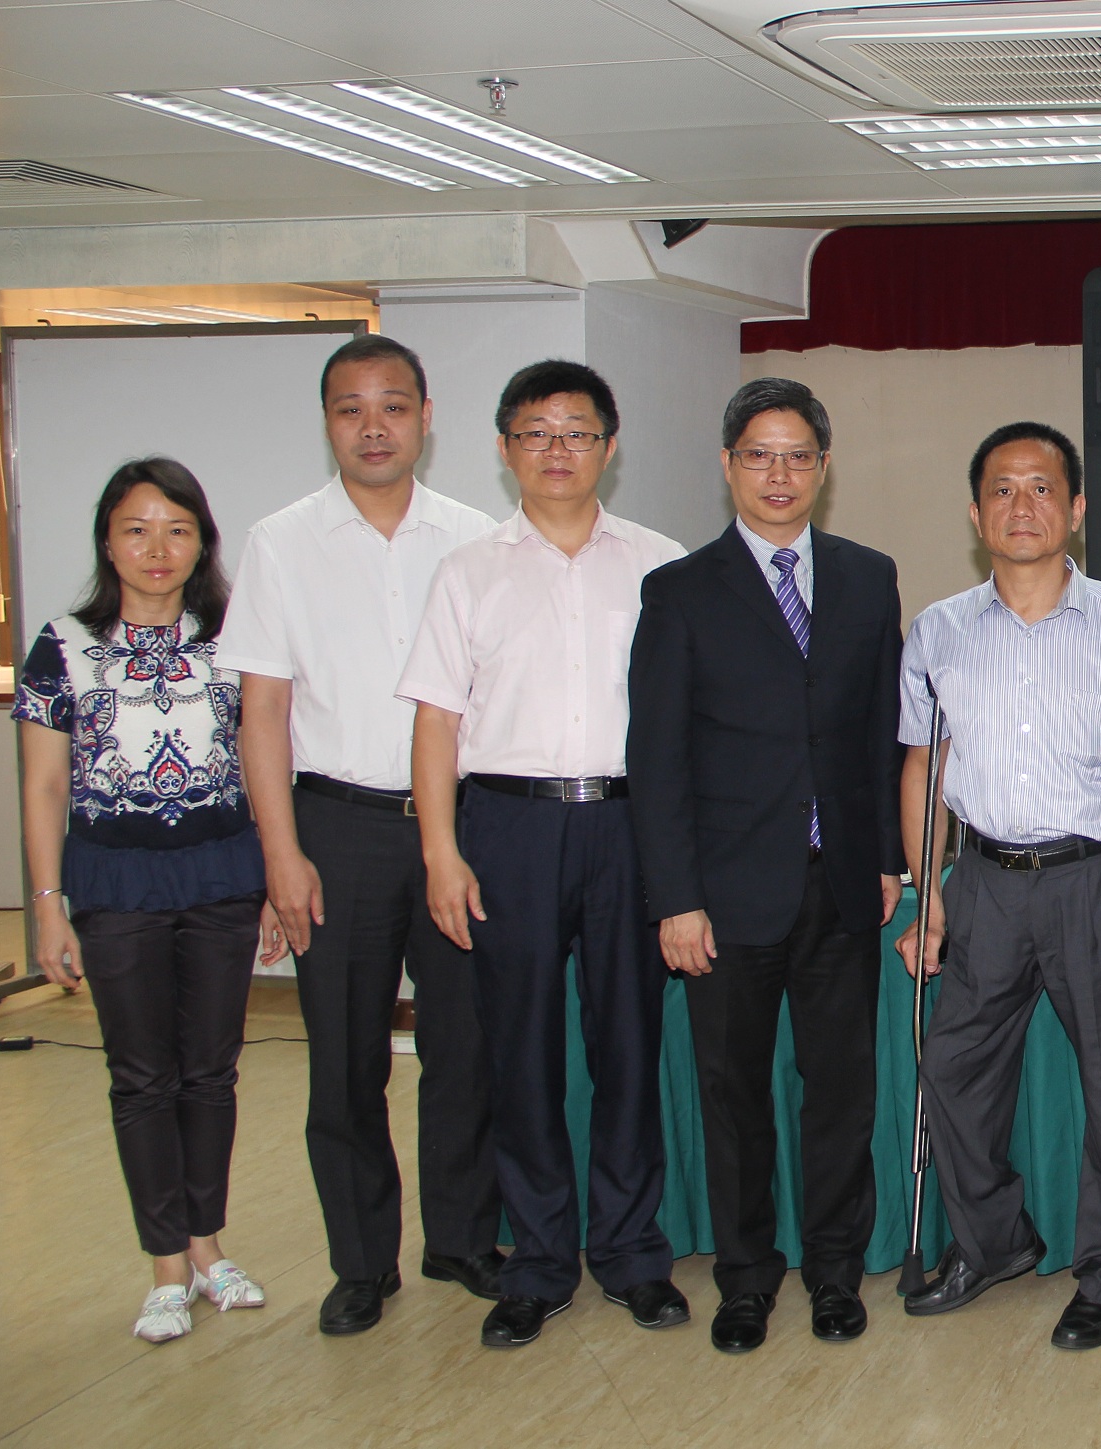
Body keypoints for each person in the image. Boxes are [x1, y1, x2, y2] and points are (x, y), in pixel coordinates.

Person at [399, 360, 688, 1348]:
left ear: (610, 446)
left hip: (627, 824)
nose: (556, 450)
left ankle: (632, 1251)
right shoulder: (467, 572)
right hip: (508, 826)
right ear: (502, 447)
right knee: (516, 1052)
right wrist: (441, 852)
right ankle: (537, 1259)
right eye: (535, 432)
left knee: (628, 1045)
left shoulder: (661, 565)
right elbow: (437, 723)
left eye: (577, 432)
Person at [223, 334, 504, 1336]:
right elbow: (262, 712)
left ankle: (462, 1237)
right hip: (335, 830)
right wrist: (281, 853)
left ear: (427, 418)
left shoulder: (477, 538)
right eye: (350, 408)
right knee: (346, 1061)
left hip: (459, 830)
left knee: (465, 1048)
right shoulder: (279, 542)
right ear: (328, 423)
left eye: (392, 406)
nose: (372, 426)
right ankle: (360, 1263)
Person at [627, 377, 905, 1355]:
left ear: (823, 467)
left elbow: (878, 732)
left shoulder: (868, 576)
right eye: (759, 455)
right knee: (735, 1097)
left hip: (842, 885)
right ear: (727, 465)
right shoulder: (678, 590)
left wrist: (888, 858)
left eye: (797, 456)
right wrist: (676, 897)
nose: (778, 474)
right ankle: (745, 1280)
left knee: (842, 1094)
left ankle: (835, 1272)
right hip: (727, 894)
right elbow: (656, 760)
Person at [895, 421, 1101, 1351]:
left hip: (1098, 877)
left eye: (1042, 487)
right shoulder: (938, 630)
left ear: (1077, 508)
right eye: (1001, 489)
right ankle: (994, 1241)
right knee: (954, 1068)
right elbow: (924, 766)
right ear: (975, 515)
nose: (1022, 505)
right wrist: (929, 891)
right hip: (985, 880)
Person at [18, 459, 287, 1343]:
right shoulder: (63, 644)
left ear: (202, 541)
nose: (157, 547)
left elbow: (266, 759)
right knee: (141, 1075)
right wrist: (46, 903)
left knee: (211, 1070)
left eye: (177, 528)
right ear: (108, 541)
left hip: (222, 878)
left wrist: (277, 876)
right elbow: (44, 785)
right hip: (116, 884)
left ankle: (209, 1246)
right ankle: (166, 1263)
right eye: (136, 529)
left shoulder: (236, 637)